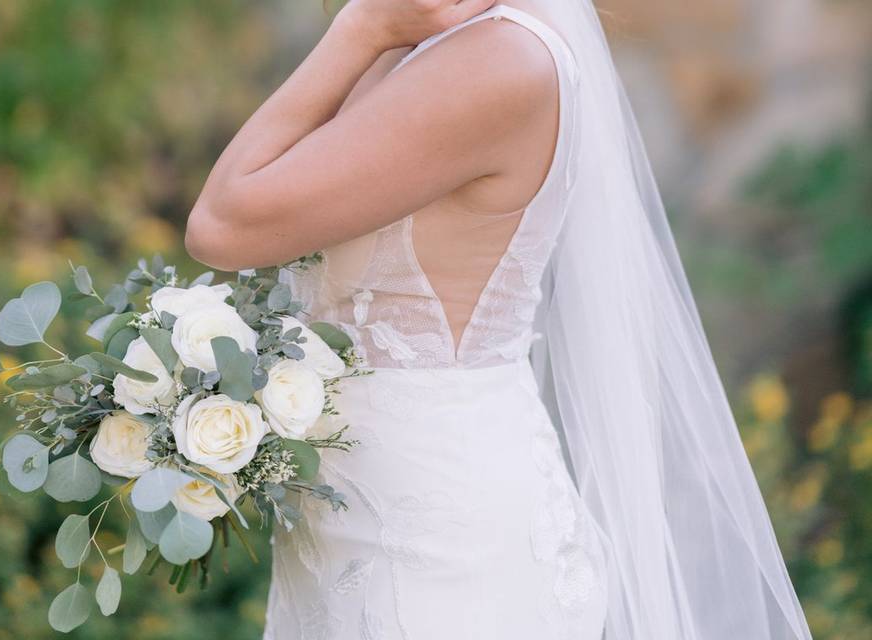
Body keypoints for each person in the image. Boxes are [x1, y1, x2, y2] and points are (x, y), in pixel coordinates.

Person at [185, 1, 814, 638]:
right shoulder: (429, 41)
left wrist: (359, 28)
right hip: (356, 523)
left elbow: (222, 225)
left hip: (436, 546)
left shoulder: (498, 62)